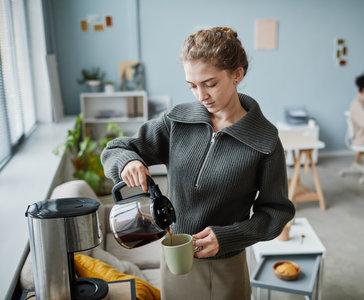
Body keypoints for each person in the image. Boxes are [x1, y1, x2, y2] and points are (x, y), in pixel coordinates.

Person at [101, 27, 295, 299]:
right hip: (174, 255)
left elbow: (277, 212)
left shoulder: (264, 141)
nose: (201, 96)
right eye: (192, 86)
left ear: (237, 75)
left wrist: (227, 237)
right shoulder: (177, 121)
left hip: (225, 264)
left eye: (210, 83)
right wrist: (127, 161)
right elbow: (116, 148)